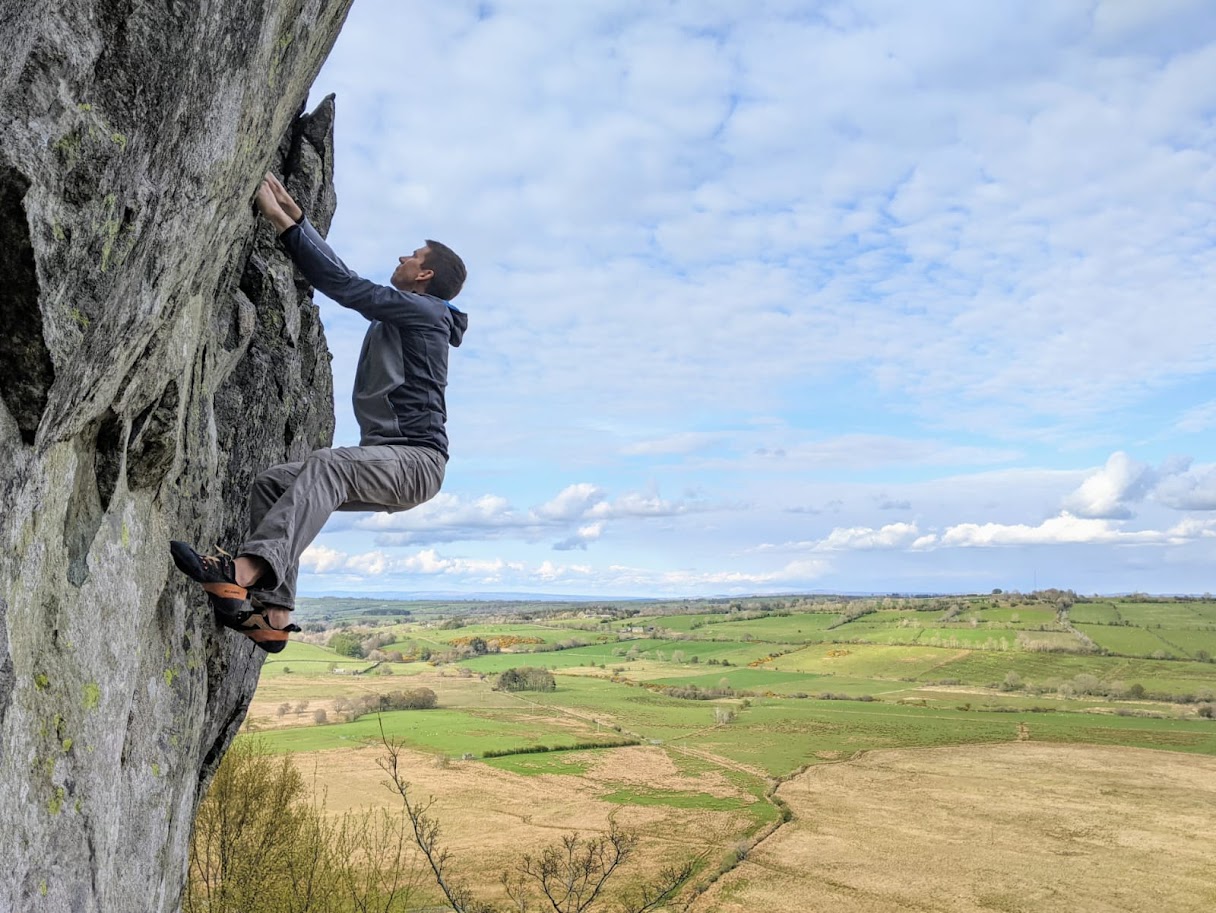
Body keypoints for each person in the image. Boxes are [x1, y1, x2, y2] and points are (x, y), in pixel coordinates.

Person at [171, 172, 468, 652]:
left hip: (416, 462)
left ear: (425, 275)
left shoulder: (427, 313)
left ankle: (240, 572)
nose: (402, 257)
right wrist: (299, 221)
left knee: (328, 464)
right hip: (393, 461)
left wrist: (283, 225)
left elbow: (349, 288)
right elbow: (352, 280)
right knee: (272, 483)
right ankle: (274, 614)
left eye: (412, 256)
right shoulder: (411, 311)